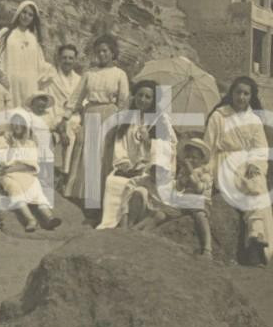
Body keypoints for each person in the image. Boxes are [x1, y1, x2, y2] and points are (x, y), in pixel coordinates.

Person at [204, 76, 273, 264]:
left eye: (246, 94)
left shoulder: (254, 120)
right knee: (248, 185)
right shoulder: (219, 116)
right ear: (231, 93)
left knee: (257, 182)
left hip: (247, 163)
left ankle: (256, 238)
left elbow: (260, 149)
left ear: (251, 96)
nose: (241, 97)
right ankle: (255, 235)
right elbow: (208, 147)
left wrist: (254, 163)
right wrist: (206, 173)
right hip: (224, 162)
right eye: (238, 92)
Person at [96, 79, 176, 229]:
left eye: (148, 97)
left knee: (138, 187)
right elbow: (120, 143)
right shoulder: (127, 117)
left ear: (153, 100)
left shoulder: (161, 119)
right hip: (129, 165)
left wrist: (150, 141)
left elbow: (170, 146)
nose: (143, 100)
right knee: (113, 181)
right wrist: (123, 162)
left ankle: (131, 221)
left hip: (149, 167)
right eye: (140, 95)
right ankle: (111, 222)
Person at [62, 34, 130, 207]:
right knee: (88, 154)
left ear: (112, 52)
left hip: (109, 115)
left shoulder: (119, 74)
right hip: (91, 112)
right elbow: (77, 96)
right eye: (98, 51)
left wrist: (120, 123)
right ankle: (85, 195)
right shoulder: (89, 73)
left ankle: (100, 198)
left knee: (104, 155)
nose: (101, 54)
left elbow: (123, 101)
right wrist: (65, 116)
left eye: (105, 51)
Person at [134, 137, 213, 259]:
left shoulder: (205, 172)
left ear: (202, 159)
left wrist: (191, 173)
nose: (191, 160)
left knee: (200, 216)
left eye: (194, 157)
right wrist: (182, 180)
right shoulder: (184, 171)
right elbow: (179, 188)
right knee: (162, 213)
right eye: (188, 157)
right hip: (185, 201)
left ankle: (207, 249)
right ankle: (140, 229)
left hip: (200, 201)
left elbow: (199, 189)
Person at [0, 109, 62, 233]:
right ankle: (30, 220)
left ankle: (49, 217)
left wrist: (13, 167)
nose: (17, 126)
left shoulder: (30, 143)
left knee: (35, 188)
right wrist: (12, 147)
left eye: (20, 123)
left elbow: (32, 165)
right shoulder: (2, 140)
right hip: (7, 175)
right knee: (15, 188)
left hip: (24, 173)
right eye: (14, 122)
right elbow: (3, 161)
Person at [0, 0, 53, 107]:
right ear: (19, 12)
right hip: (9, 82)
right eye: (24, 12)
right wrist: (1, 75)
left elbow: (39, 63)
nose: (26, 16)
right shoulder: (6, 33)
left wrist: (50, 70)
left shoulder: (33, 39)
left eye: (30, 15)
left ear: (33, 19)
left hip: (28, 84)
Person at [41, 43, 82, 176]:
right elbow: (45, 98)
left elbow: (82, 102)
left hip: (73, 117)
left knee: (73, 126)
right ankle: (62, 171)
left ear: (75, 60)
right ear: (59, 58)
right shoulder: (51, 77)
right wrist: (55, 123)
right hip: (54, 115)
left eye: (71, 58)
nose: (67, 61)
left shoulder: (79, 79)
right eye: (64, 57)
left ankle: (67, 172)